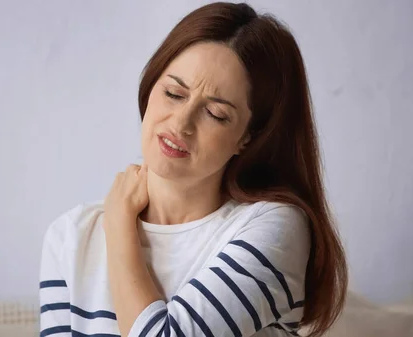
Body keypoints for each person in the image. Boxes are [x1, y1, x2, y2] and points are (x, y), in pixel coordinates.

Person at [39, 2, 347, 336]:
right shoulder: (70, 236)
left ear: (248, 137)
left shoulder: (274, 228)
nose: (181, 123)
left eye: (215, 114)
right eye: (173, 93)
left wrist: (118, 225)